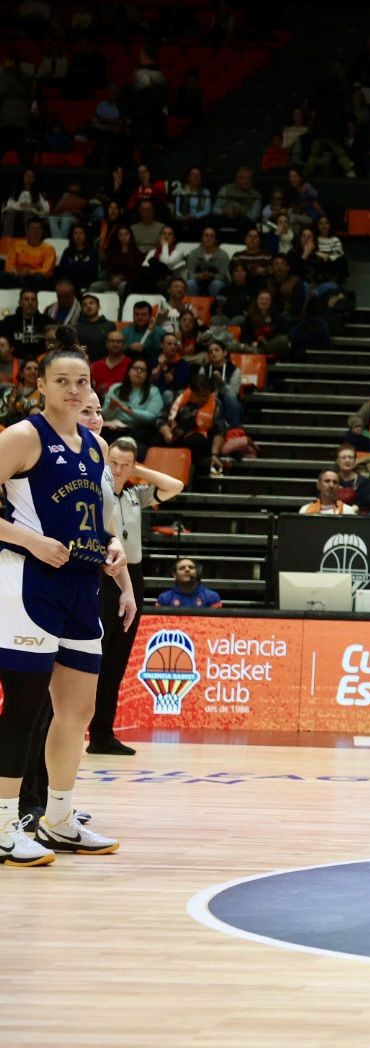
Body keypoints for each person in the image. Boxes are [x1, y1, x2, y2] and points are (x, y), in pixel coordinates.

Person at [0, 329, 136, 866]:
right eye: (63, 381)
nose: (75, 390)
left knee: (77, 711)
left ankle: (59, 818)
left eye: (82, 381)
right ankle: (7, 824)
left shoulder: (96, 444)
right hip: (29, 583)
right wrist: (29, 539)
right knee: (25, 709)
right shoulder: (21, 437)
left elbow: (103, 517)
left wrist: (115, 547)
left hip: (82, 585)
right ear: (41, 385)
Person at [90, 437, 183, 755]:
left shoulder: (134, 494)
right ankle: (77, 730)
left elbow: (176, 485)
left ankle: (102, 734)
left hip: (133, 580)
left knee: (117, 659)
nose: (118, 469)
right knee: (95, 657)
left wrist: (138, 471)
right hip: (103, 576)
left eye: (125, 464)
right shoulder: (96, 490)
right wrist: (112, 469)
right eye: (113, 462)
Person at [155, 558, 222, 608]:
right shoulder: (164, 598)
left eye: (191, 567)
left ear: (197, 573)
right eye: (182, 568)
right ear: (175, 575)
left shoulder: (212, 597)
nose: (187, 570)